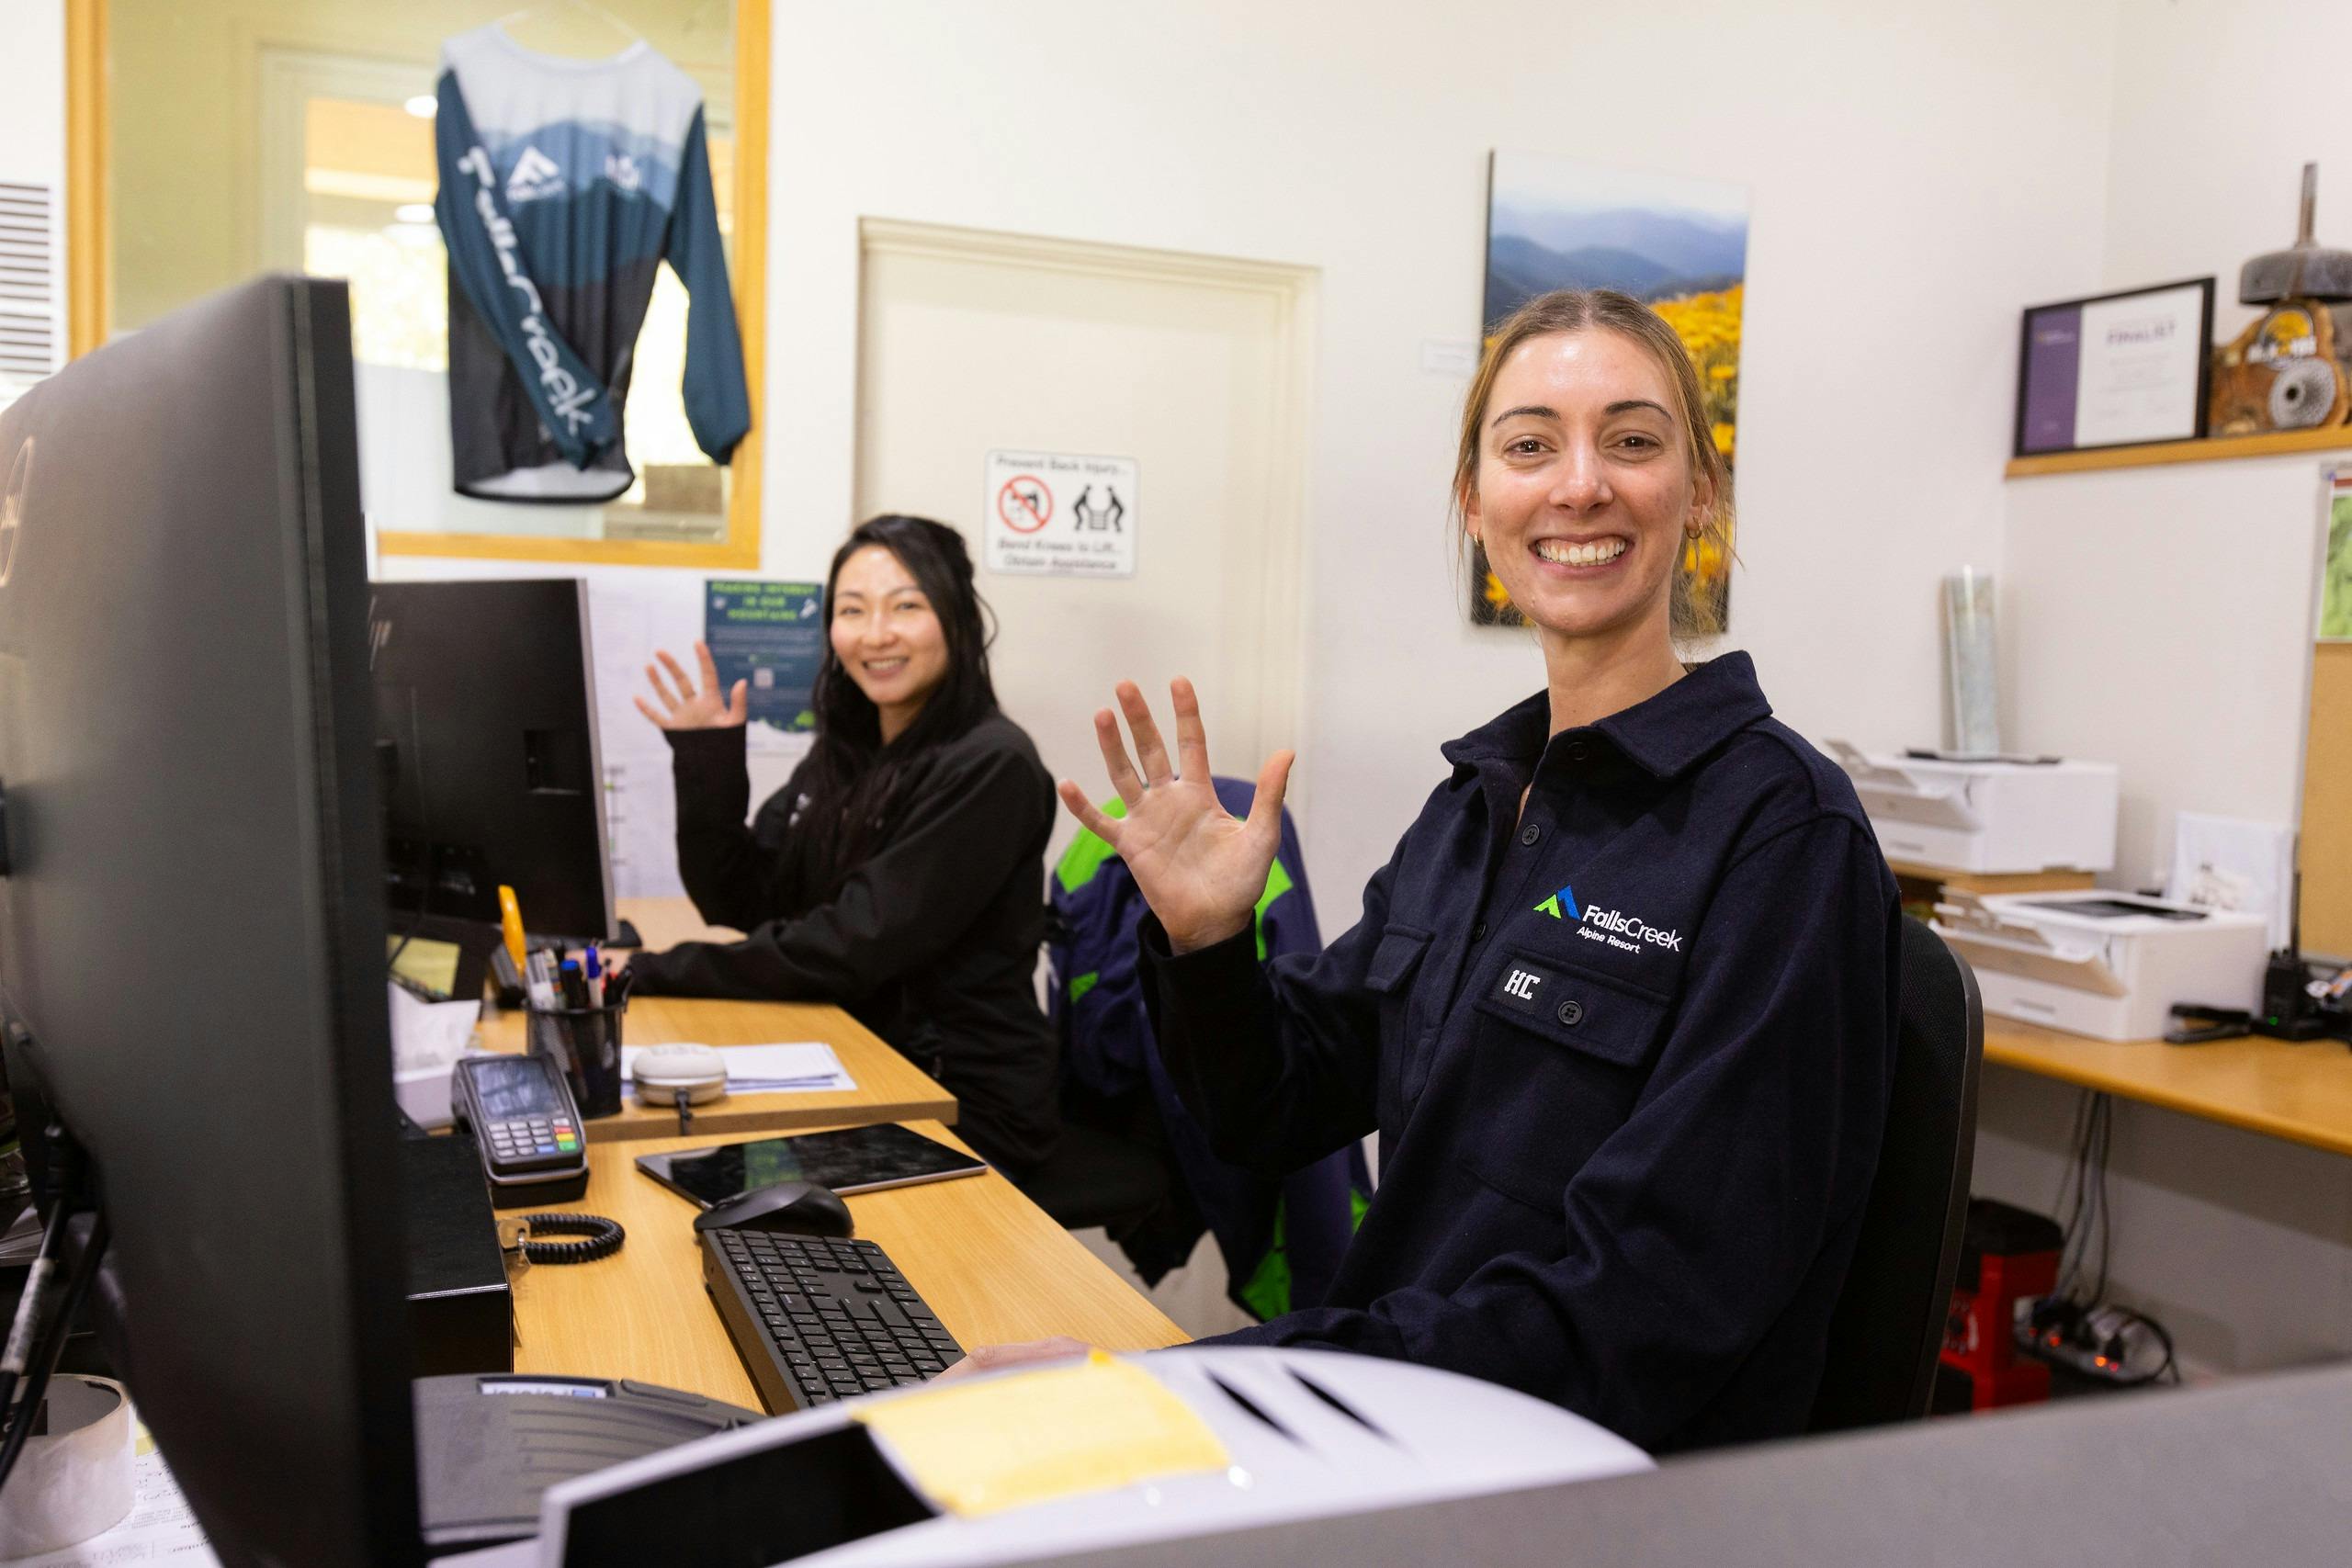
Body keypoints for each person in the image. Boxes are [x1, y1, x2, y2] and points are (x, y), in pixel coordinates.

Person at [948, 289, 1901, 1453]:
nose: (1580, 484)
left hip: (1577, 1489)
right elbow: (1274, 1109)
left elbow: (1642, 1314)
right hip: (1392, 1426)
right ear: (1476, 499)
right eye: (1530, 445)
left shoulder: (1783, 837)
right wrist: (1206, 949)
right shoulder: (1480, 805)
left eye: (1634, 440)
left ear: (1699, 489)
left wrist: (1182, 1387)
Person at [625, 514, 1060, 1176]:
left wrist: (649, 969)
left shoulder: (992, 764)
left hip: (958, 1098)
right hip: (852, 1054)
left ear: (958, 618)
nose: (876, 633)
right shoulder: (848, 752)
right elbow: (743, 899)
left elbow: (850, 944)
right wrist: (707, 758)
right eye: (852, 610)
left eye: (906, 606)